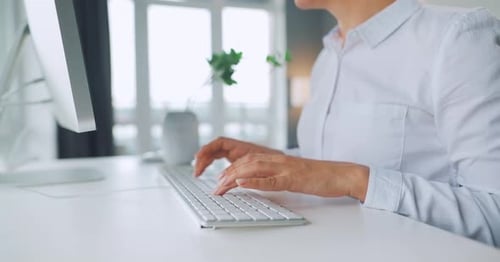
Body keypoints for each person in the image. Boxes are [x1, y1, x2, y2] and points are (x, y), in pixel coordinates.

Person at [194, 0, 500, 247]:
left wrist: (354, 179)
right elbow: (327, 168)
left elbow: (494, 215)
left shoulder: (457, 37)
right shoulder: (327, 59)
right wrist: (279, 161)